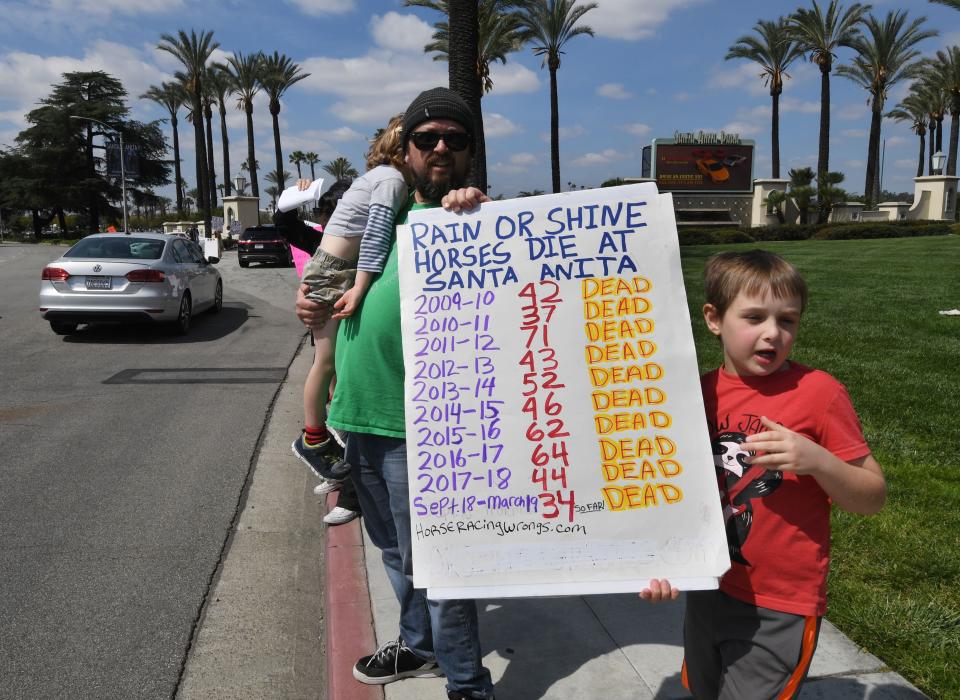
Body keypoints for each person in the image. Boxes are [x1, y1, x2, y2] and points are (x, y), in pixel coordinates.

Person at [295, 87, 495, 700]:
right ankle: (418, 645)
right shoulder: (384, 203)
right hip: (360, 411)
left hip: (426, 424)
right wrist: (312, 302)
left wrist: (475, 208)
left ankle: (467, 684)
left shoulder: (471, 218)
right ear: (404, 148)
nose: (439, 148)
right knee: (393, 551)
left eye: (454, 140)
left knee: (439, 563)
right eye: (426, 138)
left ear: (469, 153)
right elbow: (326, 280)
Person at [646, 250, 887, 699]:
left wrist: (818, 460)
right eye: (754, 317)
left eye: (788, 320)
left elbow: (872, 496)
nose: (773, 333)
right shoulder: (694, 395)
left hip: (781, 603)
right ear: (714, 319)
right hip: (708, 587)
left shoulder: (820, 394)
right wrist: (662, 564)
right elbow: (670, 493)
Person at [275, 178, 361, 525]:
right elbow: (285, 225)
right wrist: (296, 196)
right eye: (328, 211)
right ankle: (320, 439)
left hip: (347, 323)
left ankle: (329, 442)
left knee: (334, 372)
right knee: (329, 370)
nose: (332, 219)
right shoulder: (323, 244)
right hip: (332, 318)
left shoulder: (363, 240)